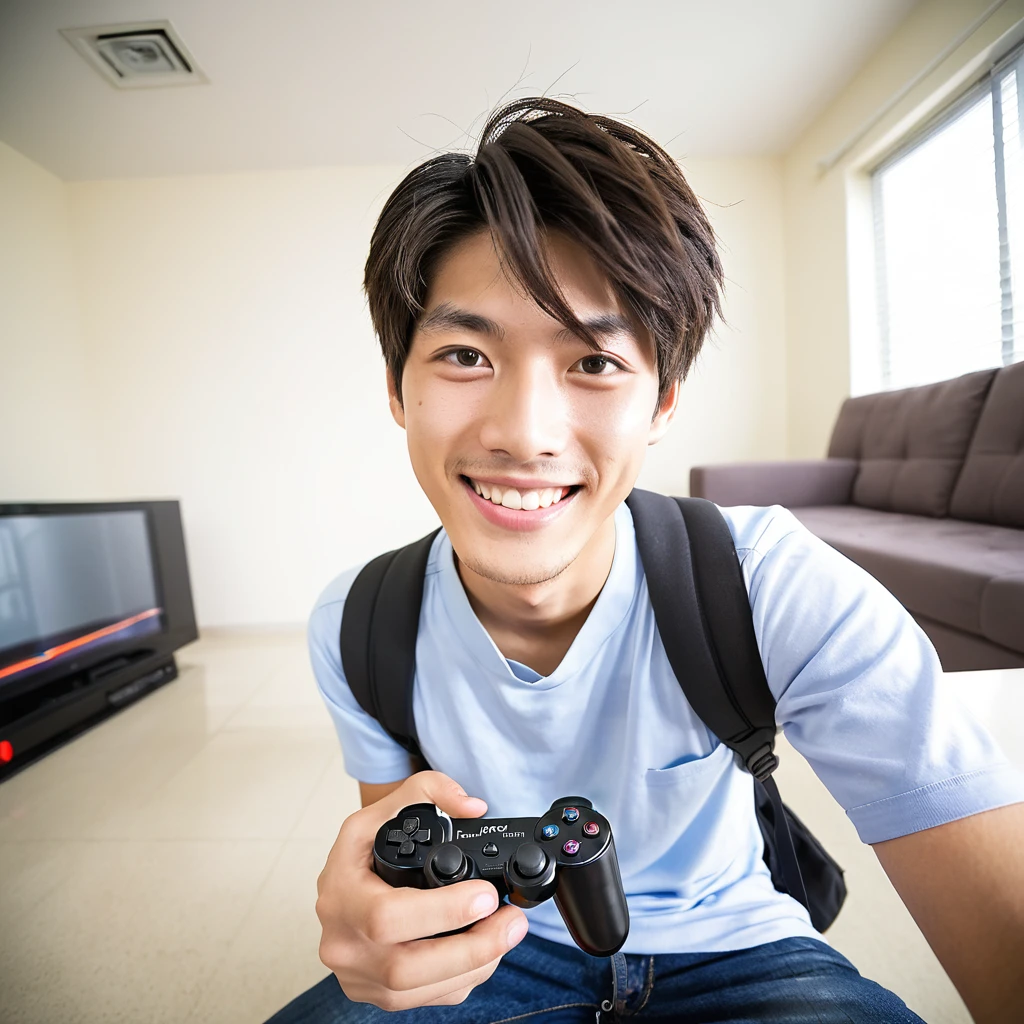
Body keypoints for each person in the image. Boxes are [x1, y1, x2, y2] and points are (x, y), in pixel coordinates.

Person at [268, 97, 1024, 1023]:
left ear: (663, 401)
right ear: (397, 386)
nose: (523, 434)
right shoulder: (358, 624)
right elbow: (407, 879)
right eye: (466, 354)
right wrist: (382, 935)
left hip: (742, 948)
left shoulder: (770, 586)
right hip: (499, 951)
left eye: (593, 363)